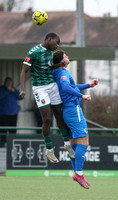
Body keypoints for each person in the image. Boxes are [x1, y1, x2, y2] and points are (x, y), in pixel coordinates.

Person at [20, 32, 75, 163]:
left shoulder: (50, 53)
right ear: (49, 39)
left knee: (59, 114)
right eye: (56, 43)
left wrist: (62, 64)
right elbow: (24, 70)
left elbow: (49, 68)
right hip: (40, 88)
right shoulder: (33, 52)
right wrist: (22, 89)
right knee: (47, 118)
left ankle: (67, 144)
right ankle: (49, 150)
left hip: (52, 86)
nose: (57, 46)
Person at [52, 50, 98, 189]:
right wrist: (82, 96)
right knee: (84, 140)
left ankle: (77, 173)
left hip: (67, 111)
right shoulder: (63, 72)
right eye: (65, 56)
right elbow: (66, 87)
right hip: (73, 109)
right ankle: (79, 173)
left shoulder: (59, 73)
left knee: (74, 144)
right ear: (61, 61)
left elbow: (71, 86)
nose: (67, 57)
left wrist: (88, 86)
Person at [0, 77, 22, 147]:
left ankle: (12, 144)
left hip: (13, 114)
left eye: (10, 83)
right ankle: (2, 143)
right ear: (5, 83)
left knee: (13, 130)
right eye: (7, 83)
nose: (9, 84)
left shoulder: (14, 90)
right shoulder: (2, 89)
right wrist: (7, 90)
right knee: (3, 130)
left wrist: (13, 91)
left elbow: (20, 97)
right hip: (4, 114)